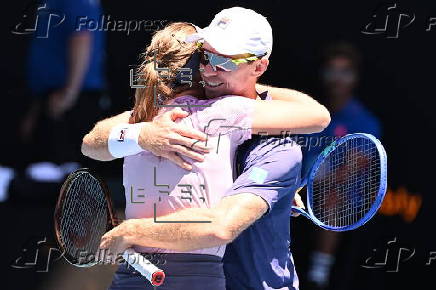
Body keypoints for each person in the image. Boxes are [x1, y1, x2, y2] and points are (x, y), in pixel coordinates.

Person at [82, 8, 330, 290]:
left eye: (224, 61)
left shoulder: (271, 145)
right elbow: (93, 142)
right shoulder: (160, 118)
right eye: (206, 57)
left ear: (258, 67)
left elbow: (220, 227)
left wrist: (132, 230)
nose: (210, 70)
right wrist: (145, 135)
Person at [303, 42, 381, 290]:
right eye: (331, 71)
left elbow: (349, 171)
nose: (337, 79)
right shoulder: (310, 113)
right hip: (300, 188)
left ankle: (318, 275)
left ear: (355, 78)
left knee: (334, 196)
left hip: (343, 197)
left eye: (345, 72)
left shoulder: (365, 121)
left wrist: (311, 180)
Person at [20, 0, 106, 170]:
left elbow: (81, 37)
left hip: (71, 99)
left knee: (64, 173)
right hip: (50, 97)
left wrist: (70, 93)